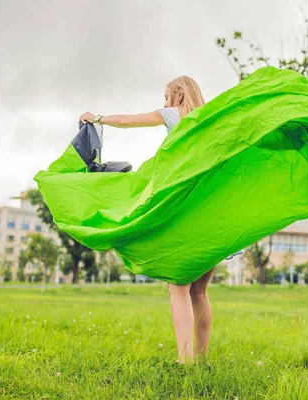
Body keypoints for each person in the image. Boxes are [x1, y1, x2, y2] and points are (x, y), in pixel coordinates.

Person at [78, 76, 211, 364]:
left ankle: (185, 363)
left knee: (178, 287)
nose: (164, 102)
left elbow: (127, 120)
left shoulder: (174, 114)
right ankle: (202, 361)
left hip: (185, 208)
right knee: (199, 290)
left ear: (178, 94)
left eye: (166, 96)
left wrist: (96, 117)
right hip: (211, 210)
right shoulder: (211, 119)